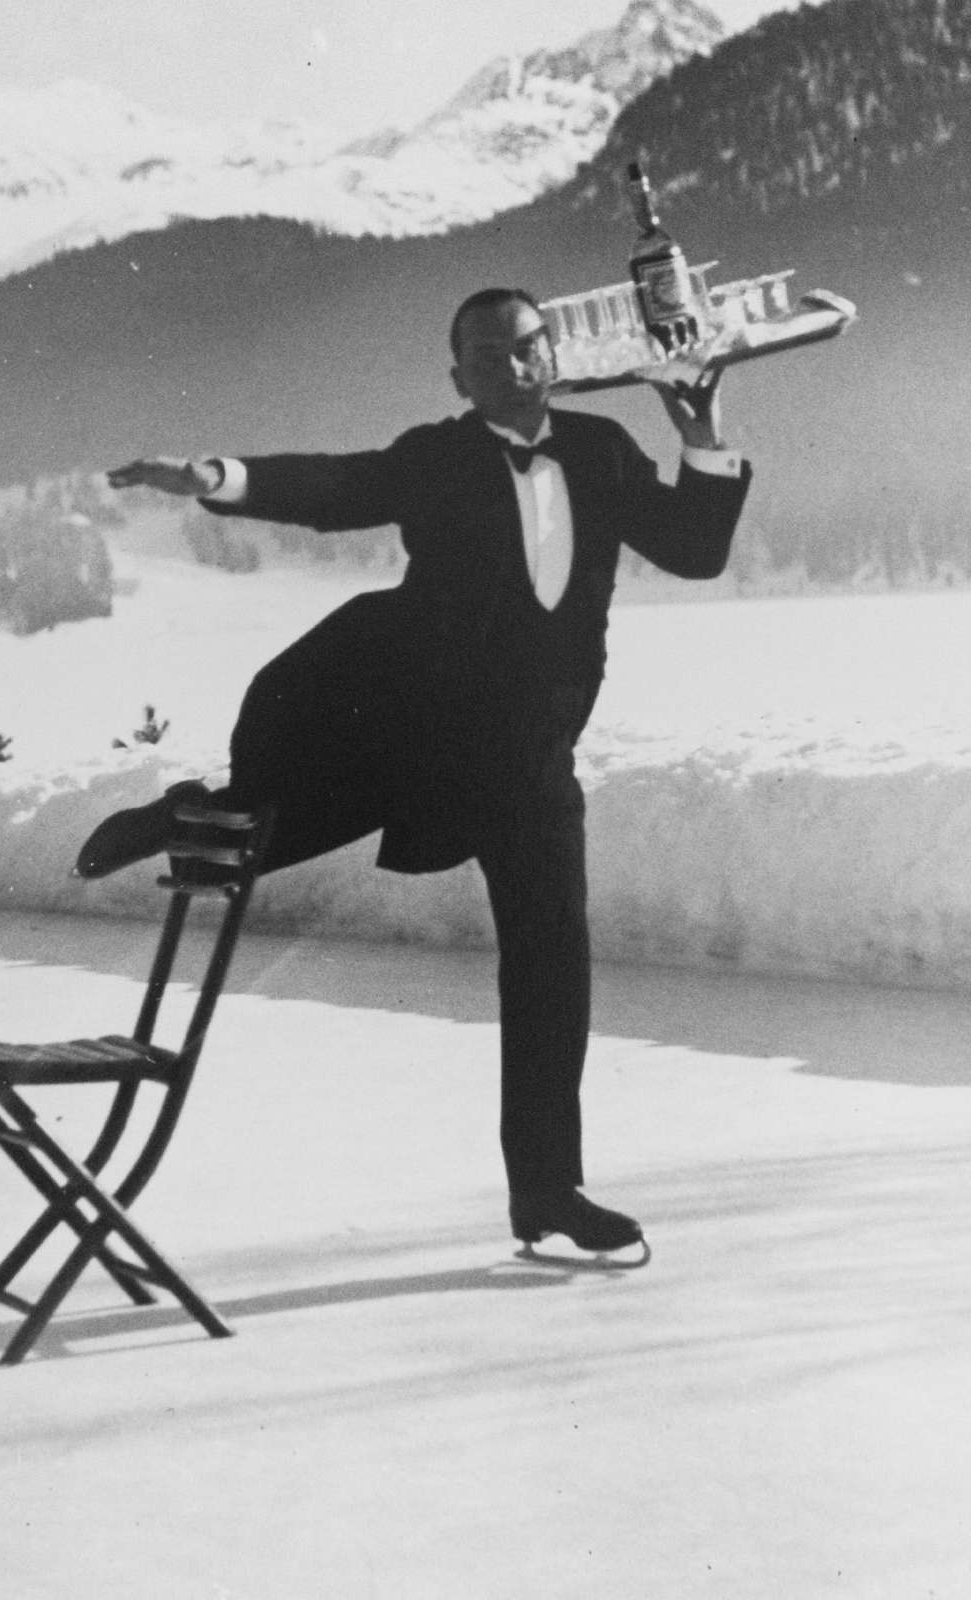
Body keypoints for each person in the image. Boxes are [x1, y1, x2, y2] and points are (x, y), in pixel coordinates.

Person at [79, 287, 751, 1257]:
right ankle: (186, 811)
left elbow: (694, 551)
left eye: (525, 348)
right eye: (488, 357)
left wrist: (704, 439)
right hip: (421, 730)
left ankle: (548, 1192)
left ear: (551, 350)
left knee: (551, 963)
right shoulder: (436, 457)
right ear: (459, 378)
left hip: (531, 754)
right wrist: (216, 477)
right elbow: (336, 486)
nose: (512, 368)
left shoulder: (603, 449)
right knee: (266, 828)